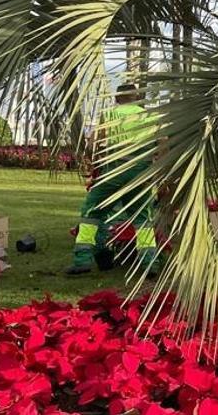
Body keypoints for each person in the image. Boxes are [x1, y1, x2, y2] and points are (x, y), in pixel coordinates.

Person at [67, 82, 160, 276]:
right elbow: (163, 145)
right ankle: (149, 263)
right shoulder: (150, 116)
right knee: (143, 218)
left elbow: (95, 144)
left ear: (117, 99)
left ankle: (82, 259)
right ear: (137, 99)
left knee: (92, 213)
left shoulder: (109, 114)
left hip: (113, 173)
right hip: (140, 175)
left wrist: (95, 166)